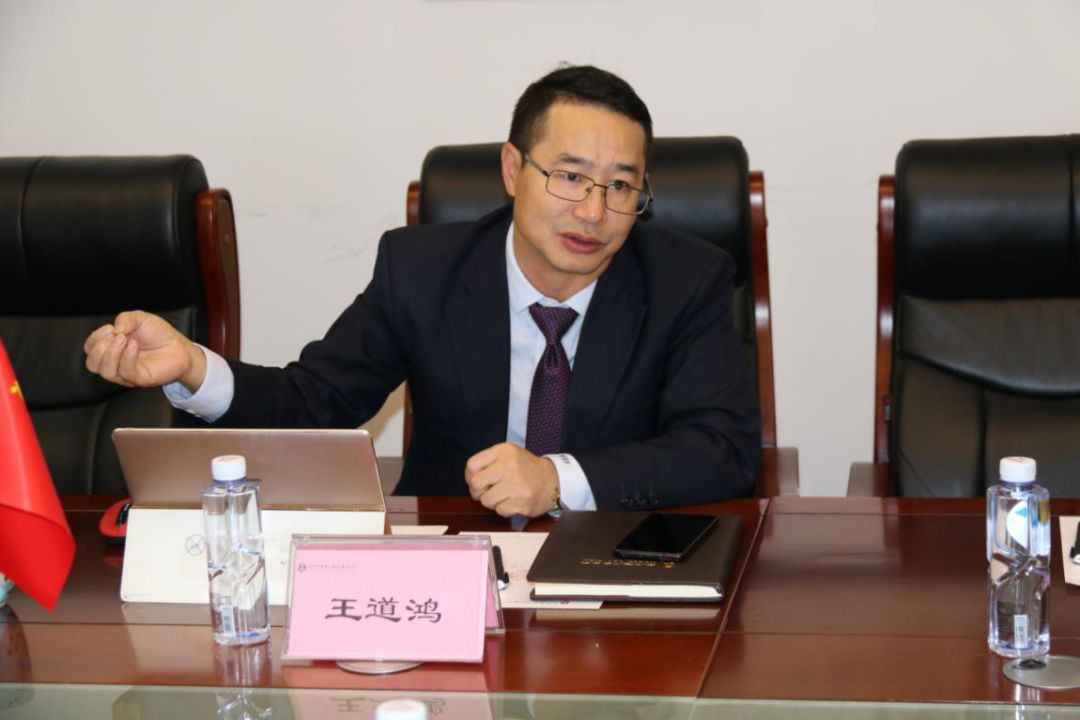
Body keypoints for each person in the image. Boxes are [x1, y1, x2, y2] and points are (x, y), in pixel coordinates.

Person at [84, 65, 760, 517]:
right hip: (450, 556)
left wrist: (557, 479)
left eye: (621, 186)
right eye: (569, 176)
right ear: (512, 169)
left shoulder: (685, 280)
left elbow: (723, 448)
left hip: (613, 557)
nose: (592, 211)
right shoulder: (421, 270)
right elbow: (314, 403)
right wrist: (193, 367)